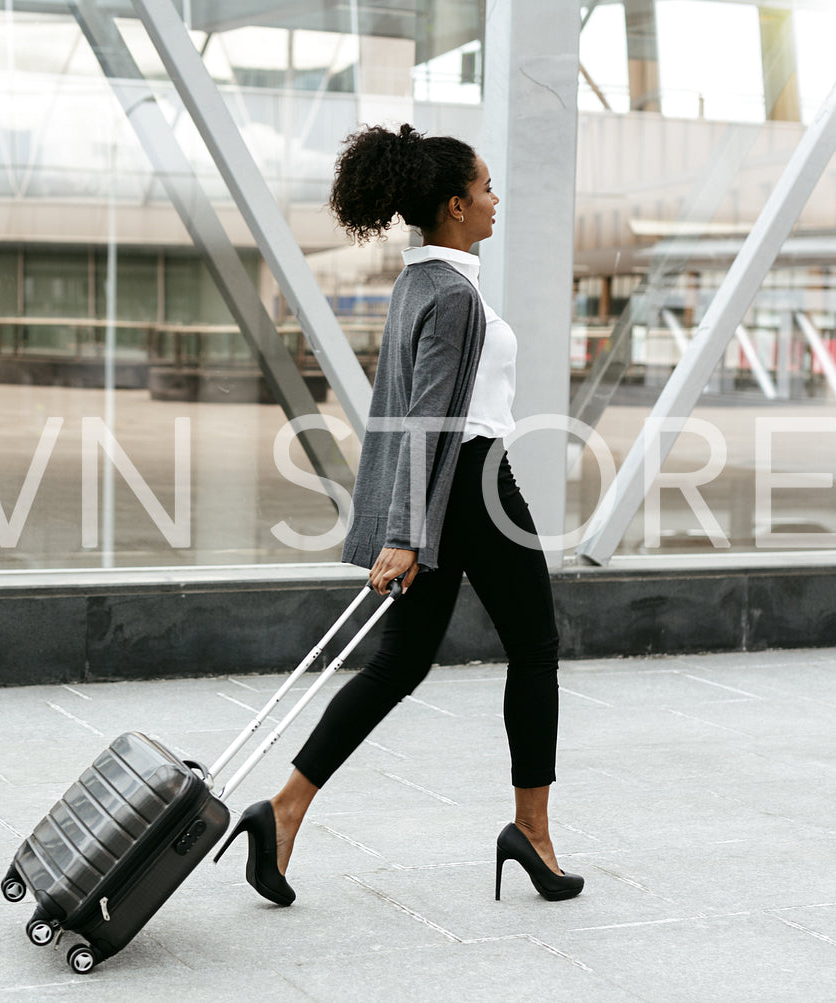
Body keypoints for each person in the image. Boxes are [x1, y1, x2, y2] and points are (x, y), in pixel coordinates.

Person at [214, 124, 583, 905]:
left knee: (399, 662)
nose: (493, 200)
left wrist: (408, 525)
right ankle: (533, 832)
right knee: (536, 646)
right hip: (476, 484)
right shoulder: (452, 294)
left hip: (446, 490)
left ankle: (282, 810)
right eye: (484, 189)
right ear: (453, 205)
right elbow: (424, 418)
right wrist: (406, 534)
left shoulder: (423, 280)